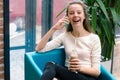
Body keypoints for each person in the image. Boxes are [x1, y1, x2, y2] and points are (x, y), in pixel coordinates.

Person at [35, 1, 101, 80]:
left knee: (51, 65)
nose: (75, 15)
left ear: (84, 16)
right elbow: (39, 49)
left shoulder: (94, 38)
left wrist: (80, 68)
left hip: (86, 78)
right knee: (50, 67)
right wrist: (54, 28)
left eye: (79, 12)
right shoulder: (65, 36)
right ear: (68, 17)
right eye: (71, 13)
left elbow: (97, 72)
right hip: (69, 75)